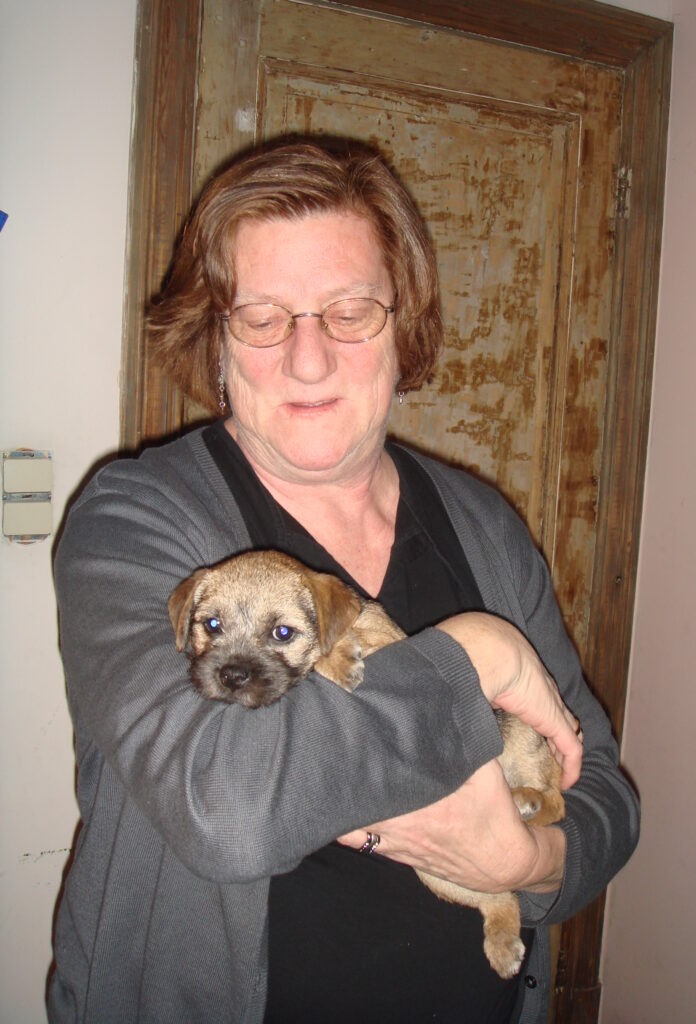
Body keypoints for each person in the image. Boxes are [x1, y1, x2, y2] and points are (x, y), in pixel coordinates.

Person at [49, 140, 639, 1024]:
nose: (309, 359)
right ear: (216, 340)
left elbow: (606, 799)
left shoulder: (485, 527)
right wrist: (472, 657)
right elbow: (228, 813)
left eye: (350, 312)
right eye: (262, 318)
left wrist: (526, 864)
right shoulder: (135, 523)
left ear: (405, 328)